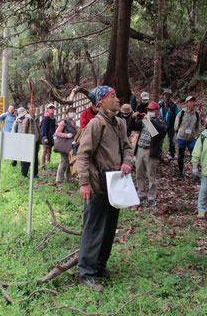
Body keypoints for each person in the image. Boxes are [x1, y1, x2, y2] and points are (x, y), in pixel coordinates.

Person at [76, 86, 133, 292]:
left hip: (116, 182)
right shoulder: (95, 124)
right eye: (112, 97)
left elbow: (127, 148)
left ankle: (100, 267)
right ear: (101, 102)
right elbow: (83, 155)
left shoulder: (119, 123)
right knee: (93, 228)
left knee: (109, 227)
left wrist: (127, 163)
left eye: (116, 96)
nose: (118, 100)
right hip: (97, 183)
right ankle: (87, 273)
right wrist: (84, 183)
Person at [129, 102, 167, 206]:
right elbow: (132, 126)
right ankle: (141, 194)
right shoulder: (143, 121)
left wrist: (149, 121)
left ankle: (151, 196)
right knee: (139, 173)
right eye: (149, 110)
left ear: (157, 111)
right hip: (140, 149)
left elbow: (159, 131)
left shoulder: (160, 122)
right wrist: (133, 118)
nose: (150, 112)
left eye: (152, 110)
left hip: (151, 151)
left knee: (151, 175)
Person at [174, 95, 201, 181]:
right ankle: (180, 173)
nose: (192, 103)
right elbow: (176, 124)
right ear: (186, 103)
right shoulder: (181, 113)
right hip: (181, 137)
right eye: (190, 101)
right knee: (181, 155)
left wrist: (196, 135)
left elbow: (198, 126)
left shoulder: (196, 114)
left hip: (192, 138)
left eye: (193, 101)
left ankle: (196, 174)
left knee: (194, 155)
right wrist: (177, 133)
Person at [54, 106, 78, 183]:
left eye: (74, 111)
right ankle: (59, 179)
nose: (73, 113)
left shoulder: (74, 123)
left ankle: (67, 178)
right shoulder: (64, 122)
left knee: (69, 161)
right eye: (71, 111)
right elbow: (57, 132)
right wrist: (66, 135)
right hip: (63, 145)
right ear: (67, 113)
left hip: (70, 145)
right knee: (64, 162)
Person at [20, 103, 41, 179]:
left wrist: (39, 141)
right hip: (28, 142)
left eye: (34, 107)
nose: (33, 109)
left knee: (35, 158)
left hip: (35, 141)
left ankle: (34, 174)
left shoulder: (36, 119)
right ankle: (24, 174)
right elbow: (23, 132)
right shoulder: (26, 119)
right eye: (31, 107)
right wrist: (24, 142)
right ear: (28, 110)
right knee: (27, 158)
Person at [159, 89, 179, 159]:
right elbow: (158, 113)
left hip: (171, 125)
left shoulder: (174, 106)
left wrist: (177, 126)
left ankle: (172, 153)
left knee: (171, 140)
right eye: (165, 95)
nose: (166, 96)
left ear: (171, 96)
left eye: (168, 95)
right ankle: (159, 152)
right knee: (160, 139)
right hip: (162, 125)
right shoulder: (160, 104)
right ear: (163, 95)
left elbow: (177, 116)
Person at [40, 103, 56, 171]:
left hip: (51, 137)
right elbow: (43, 128)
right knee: (45, 151)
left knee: (49, 151)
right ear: (48, 109)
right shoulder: (46, 118)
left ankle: (48, 163)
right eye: (50, 108)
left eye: (53, 108)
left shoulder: (53, 118)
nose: (52, 109)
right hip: (46, 137)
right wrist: (44, 137)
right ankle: (42, 165)